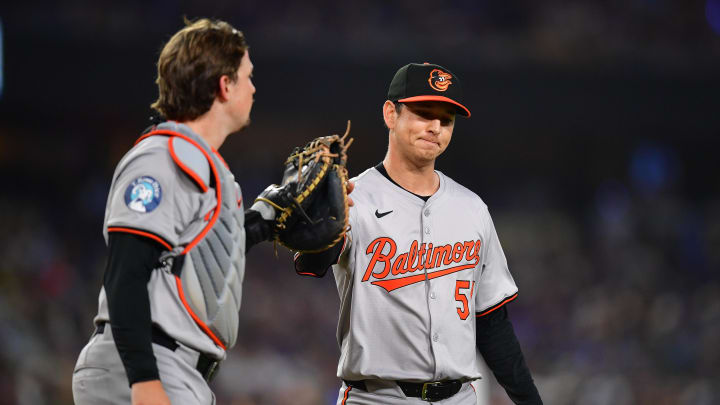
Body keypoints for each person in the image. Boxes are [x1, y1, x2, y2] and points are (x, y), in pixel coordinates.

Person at [295, 63, 543, 404]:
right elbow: (312, 262)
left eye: (446, 119)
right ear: (390, 114)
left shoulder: (472, 209)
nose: (435, 127)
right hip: (377, 398)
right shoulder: (354, 196)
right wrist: (320, 229)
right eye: (424, 113)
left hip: (460, 397)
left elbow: (492, 324)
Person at [72, 18, 278, 405]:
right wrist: (144, 381)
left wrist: (267, 222)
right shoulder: (164, 157)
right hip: (145, 366)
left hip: (177, 371)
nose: (253, 87)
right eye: (247, 76)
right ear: (224, 85)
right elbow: (126, 271)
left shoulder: (200, 163)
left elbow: (199, 258)